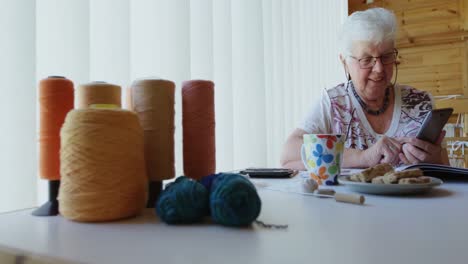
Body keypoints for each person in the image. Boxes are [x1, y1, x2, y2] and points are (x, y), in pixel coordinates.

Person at [280, 7, 449, 170]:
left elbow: (447, 174)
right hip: (350, 200)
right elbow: (288, 156)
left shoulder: (420, 103)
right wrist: (362, 157)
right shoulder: (334, 103)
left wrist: (436, 161)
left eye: (386, 56)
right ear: (344, 62)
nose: (379, 69)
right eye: (366, 59)